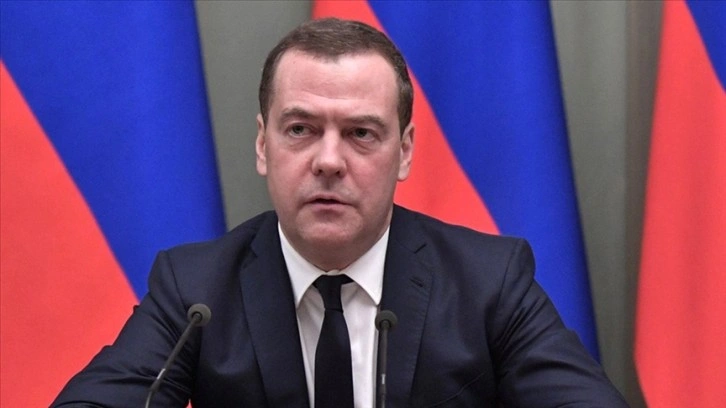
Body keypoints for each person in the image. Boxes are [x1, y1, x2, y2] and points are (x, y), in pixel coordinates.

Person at [52, 18, 628, 407]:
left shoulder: (487, 282)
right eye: (301, 129)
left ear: (404, 152)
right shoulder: (195, 291)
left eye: (361, 133)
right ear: (263, 145)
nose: (329, 161)